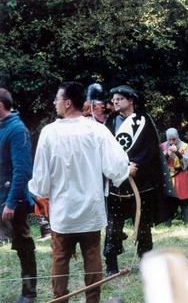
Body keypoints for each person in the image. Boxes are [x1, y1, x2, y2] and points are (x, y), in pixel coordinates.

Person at [28, 81, 131, 302]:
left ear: (67, 102)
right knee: (92, 254)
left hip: (64, 211)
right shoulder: (95, 129)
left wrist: (38, 190)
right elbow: (115, 167)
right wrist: (125, 170)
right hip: (90, 209)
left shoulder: (50, 133)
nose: (54, 103)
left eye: (57, 99)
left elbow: (41, 182)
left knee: (61, 257)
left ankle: (59, 299)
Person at [104, 85, 177, 276]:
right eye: (114, 99)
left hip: (141, 182)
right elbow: (105, 150)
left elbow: (151, 148)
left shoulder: (144, 121)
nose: (115, 101)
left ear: (130, 101)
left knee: (143, 224)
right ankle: (111, 264)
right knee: (113, 224)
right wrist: (121, 169)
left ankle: (146, 261)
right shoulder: (110, 122)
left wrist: (135, 166)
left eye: (119, 98)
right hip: (117, 183)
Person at [0, 88, 37, 303]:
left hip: (13, 201)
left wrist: (11, 202)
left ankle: (29, 293)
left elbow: (22, 171)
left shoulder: (17, 129)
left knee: (23, 245)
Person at [161, 128, 188, 226]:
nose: (172, 142)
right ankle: (167, 223)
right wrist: (167, 155)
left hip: (181, 174)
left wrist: (177, 152)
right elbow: (159, 162)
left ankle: (187, 222)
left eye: (174, 139)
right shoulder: (163, 146)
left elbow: (186, 161)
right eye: (170, 140)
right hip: (168, 175)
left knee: (184, 199)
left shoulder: (185, 146)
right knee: (169, 199)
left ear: (177, 137)